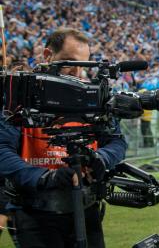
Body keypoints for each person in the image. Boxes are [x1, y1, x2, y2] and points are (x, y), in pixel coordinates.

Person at [0, 28, 127, 248]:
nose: (77, 72)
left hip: (86, 211)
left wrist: (99, 159)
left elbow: (116, 142)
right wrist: (45, 178)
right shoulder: (21, 94)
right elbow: (2, 150)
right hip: (34, 215)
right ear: (48, 56)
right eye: (69, 62)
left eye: (83, 65)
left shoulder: (92, 95)